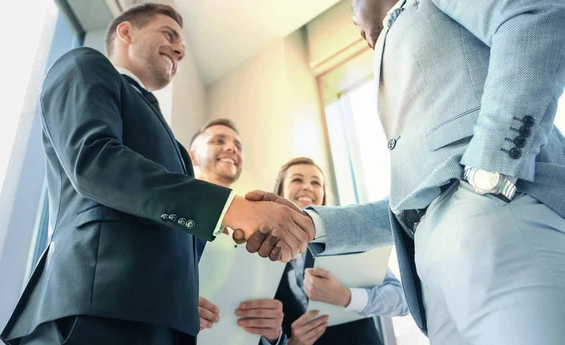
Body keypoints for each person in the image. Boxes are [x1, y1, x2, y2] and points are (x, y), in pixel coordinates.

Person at [240, 0, 565, 344]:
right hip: (432, 277)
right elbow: (411, 201)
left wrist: (490, 172)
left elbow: (533, 16)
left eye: (353, 14)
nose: (357, 27)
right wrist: (312, 224)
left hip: (500, 213)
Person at [0, 4, 312, 345]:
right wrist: (229, 208)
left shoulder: (175, 148)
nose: (179, 48)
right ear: (126, 31)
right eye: (169, 34)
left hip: (164, 322)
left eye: (182, 44)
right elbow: (95, 162)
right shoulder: (85, 65)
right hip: (98, 305)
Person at [271, 158, 407, 345]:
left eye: (316, 183)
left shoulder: (349, 239)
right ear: (280, 192)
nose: (307, 187)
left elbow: (401, 299)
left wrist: (346, 297)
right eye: (297, 180)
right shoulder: (263, 259)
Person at [187, 118, 285, 345]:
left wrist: (273, 335)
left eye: (238, 146)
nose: (231, 148)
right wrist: (172, 308)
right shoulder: (167, 218)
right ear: (192, 155)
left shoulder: (257, 235)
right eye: (218, 141)